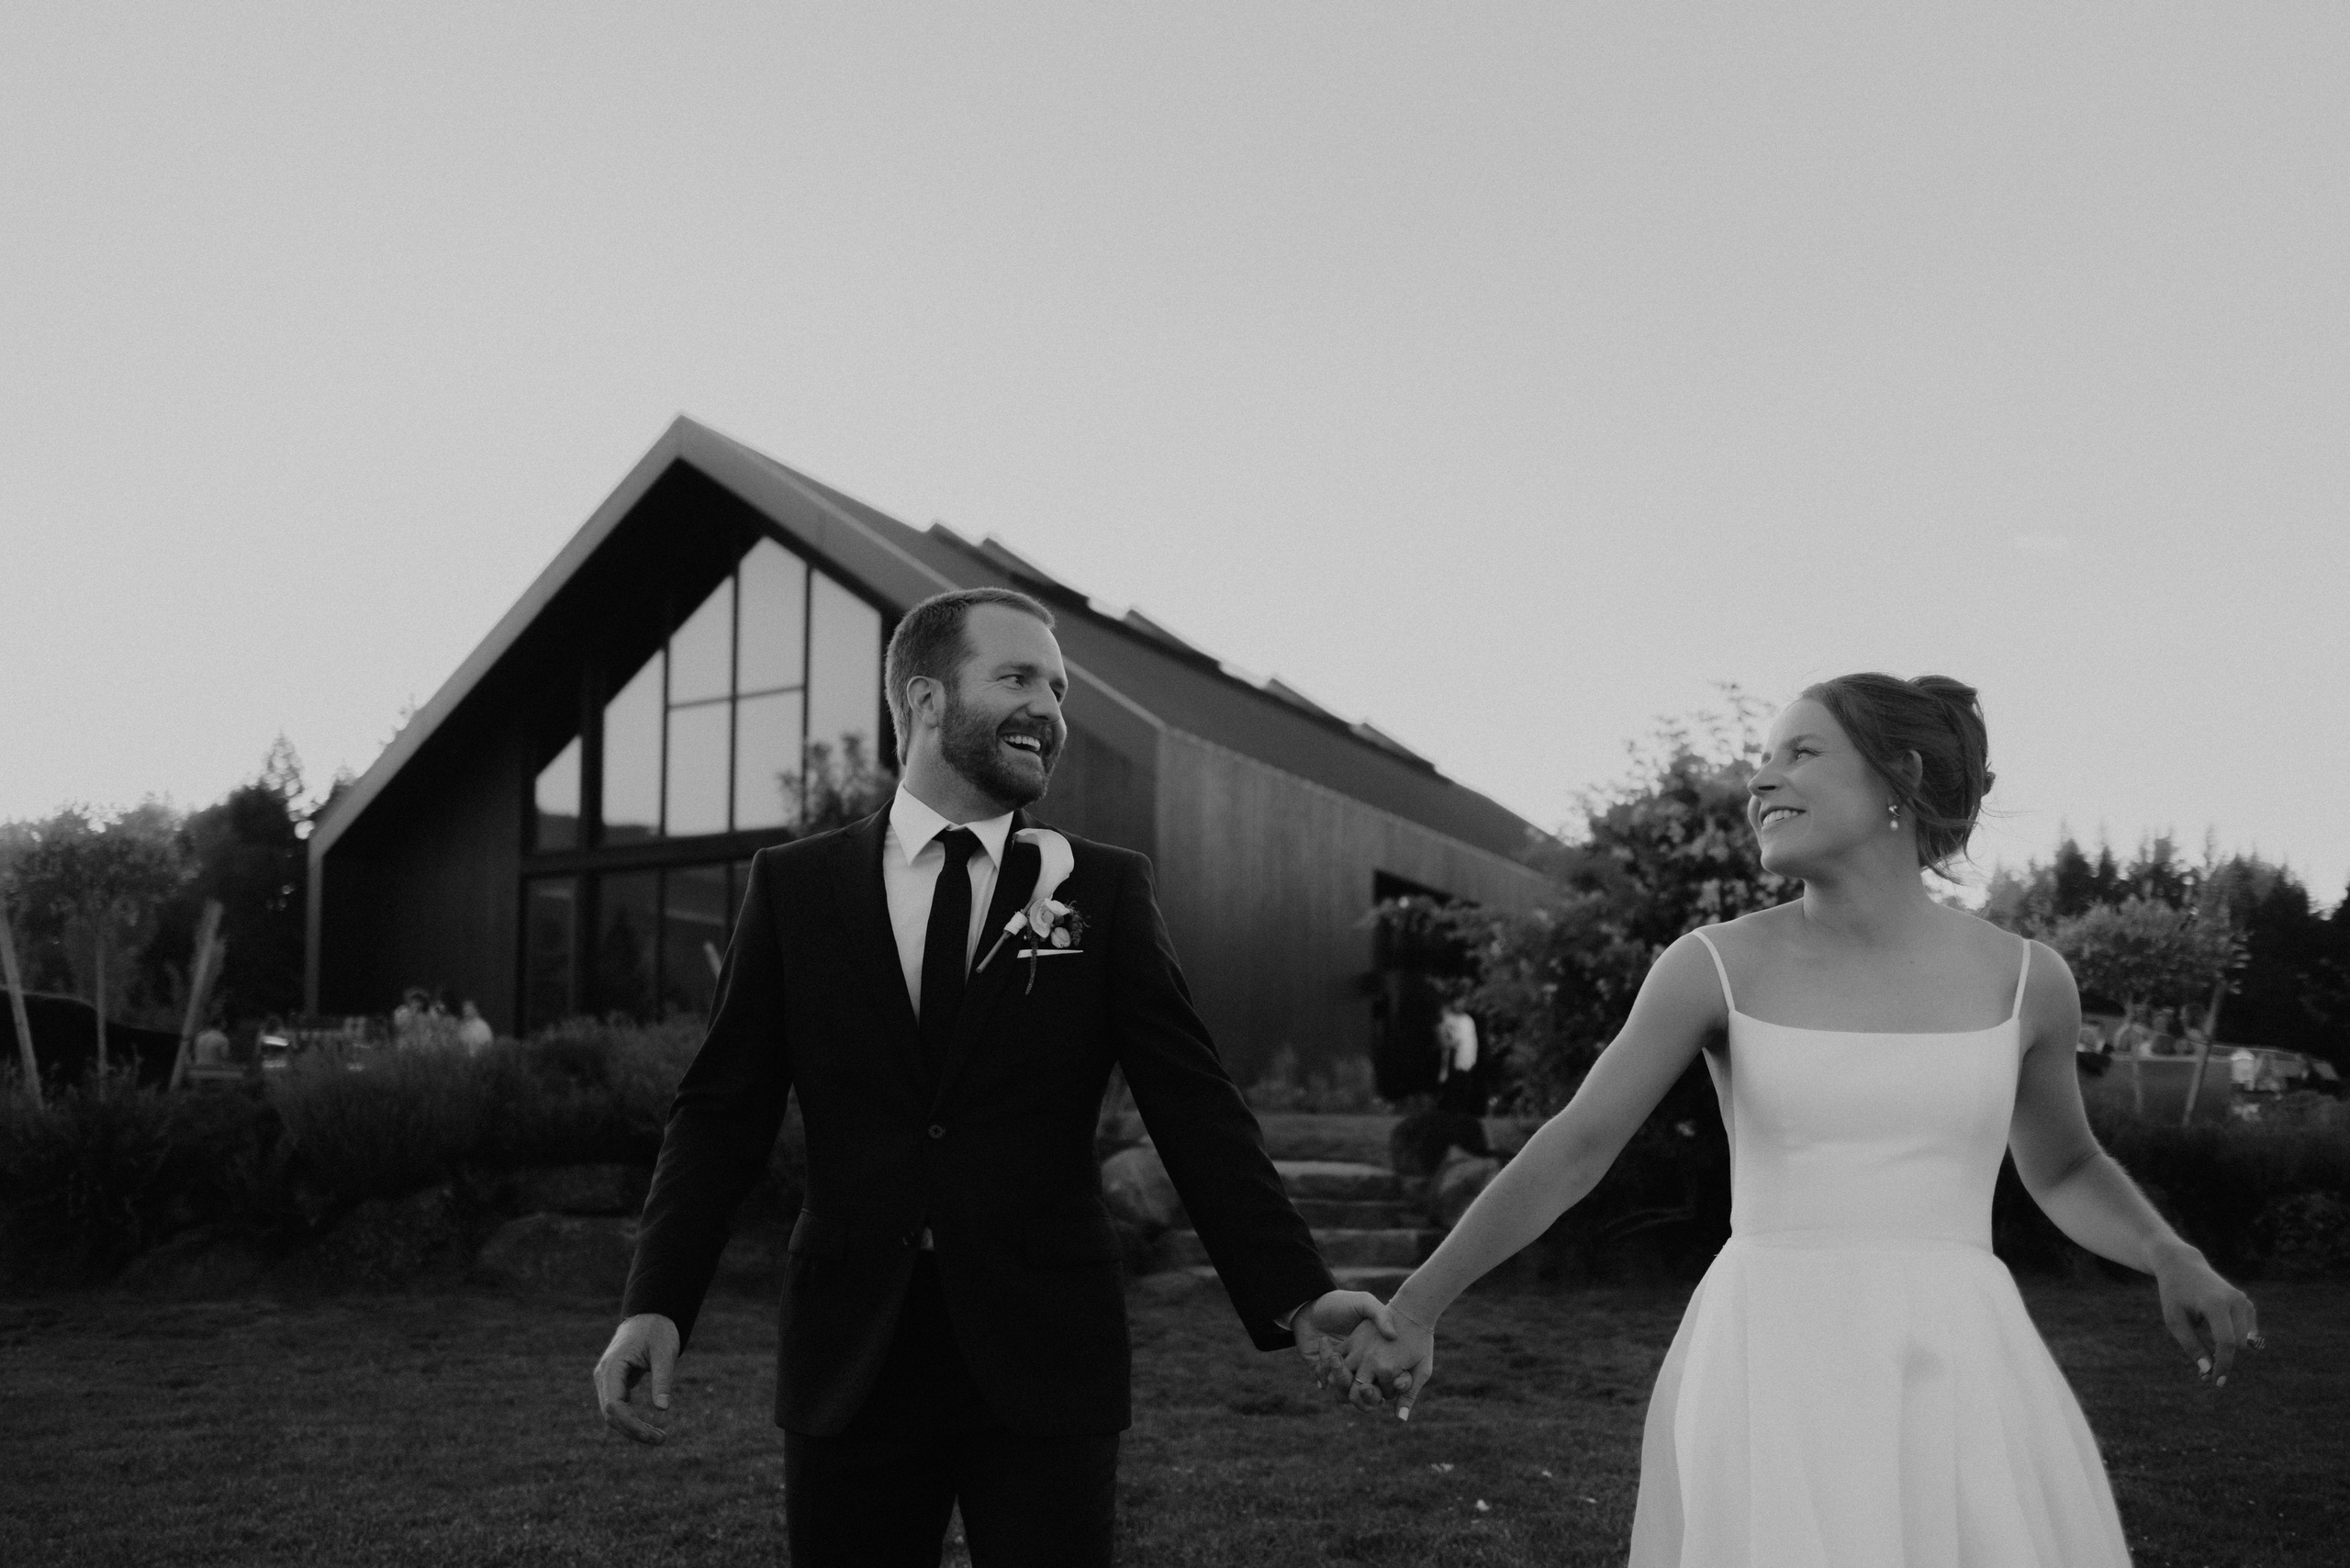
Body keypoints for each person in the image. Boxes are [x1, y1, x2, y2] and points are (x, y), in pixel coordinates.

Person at [1341, 673, 2259, 1566]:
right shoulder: (1712, 967)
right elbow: (1577, 1146)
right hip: (1771, 1358)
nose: (1760, 779)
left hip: (1960, 1359)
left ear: (1896, 774)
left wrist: (2168, 1252)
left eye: (1801, 751)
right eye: (1760, 758)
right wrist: (1418, 1305)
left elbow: (2062, 1167)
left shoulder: (2025, 978)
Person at [593, 587, 1393, 1566]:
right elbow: (721, 1112)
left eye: (1057, 691)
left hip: (1046, 1350)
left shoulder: (1101, 890)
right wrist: (657, 1299)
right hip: (852, 1356)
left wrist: (1299, 1294)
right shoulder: (795, 889)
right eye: (1018, 677)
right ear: (927, 699)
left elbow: (1194, 1106)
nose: (1050, 712)